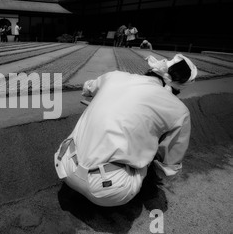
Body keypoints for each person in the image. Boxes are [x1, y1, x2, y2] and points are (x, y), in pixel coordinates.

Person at [54, 54, 198, 207]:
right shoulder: (179, 110)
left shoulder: (115, 76)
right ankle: (141, 190)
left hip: (64, 166)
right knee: (149, 151)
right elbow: (169, 167)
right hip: (107, 191)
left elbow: (87, 88)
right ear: (179, 87)